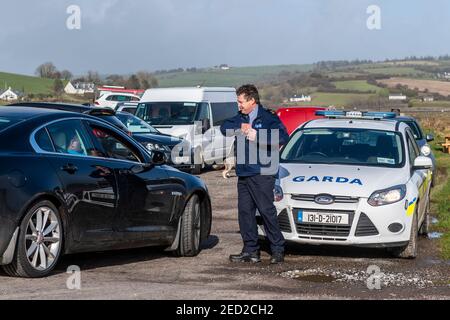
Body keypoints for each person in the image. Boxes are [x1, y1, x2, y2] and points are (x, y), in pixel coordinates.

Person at [220, 84, 289, 264]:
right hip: (244, 172)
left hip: (262, 172)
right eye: (238, 102)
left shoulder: (268, 118)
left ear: (252, 100)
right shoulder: (240, 118)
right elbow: (224, 127)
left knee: (266, 211)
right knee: (245, 213)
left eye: (241, 102)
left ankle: (277, 249)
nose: (239, 105)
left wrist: (257, 135)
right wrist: (239, 127)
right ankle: (250, 250)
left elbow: (282, 137)